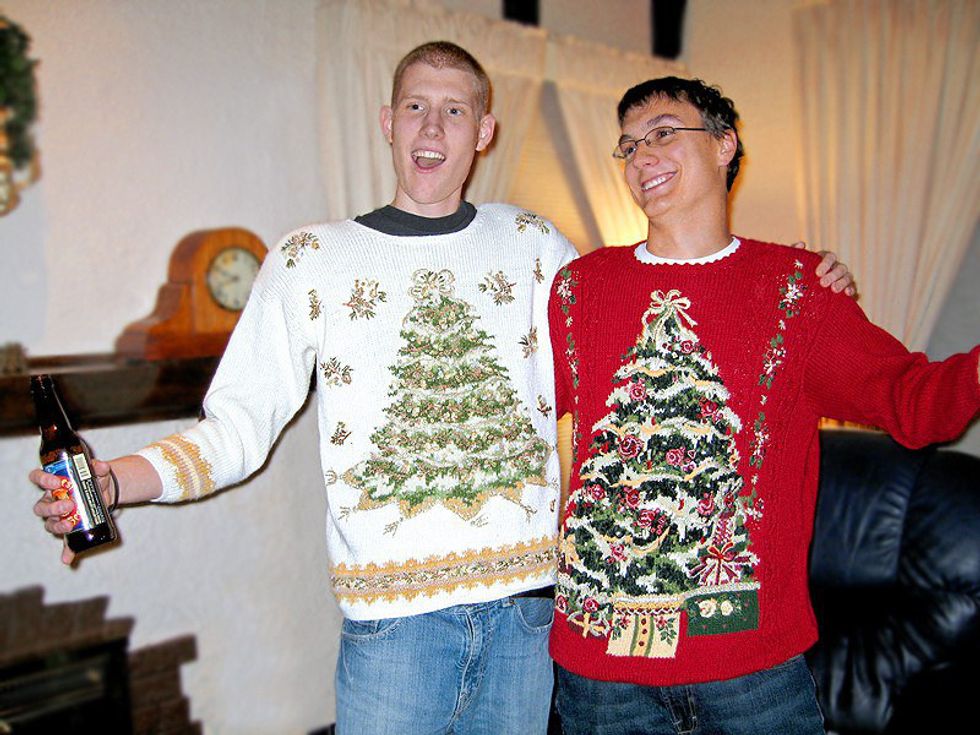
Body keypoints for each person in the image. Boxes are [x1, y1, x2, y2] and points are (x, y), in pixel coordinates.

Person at [30, 46, 853, 734]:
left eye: (455, 110)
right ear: (387, 123)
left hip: (530, 621)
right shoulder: (310, 260)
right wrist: (115, 482)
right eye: (416, 107)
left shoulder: (535, 245)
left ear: (483, 132)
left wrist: (806, 288)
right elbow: (234, 428)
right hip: (395, 635)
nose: (433, 127)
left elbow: (642, 321)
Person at [546, 75, 980, 735]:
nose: (641, 157)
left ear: (724, 144)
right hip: (602, 674)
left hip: (749, 672)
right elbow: (516, 413)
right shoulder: (580, 288)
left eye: (662, 133)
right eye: (629, 146)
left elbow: (914, 404)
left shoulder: (796, 291)